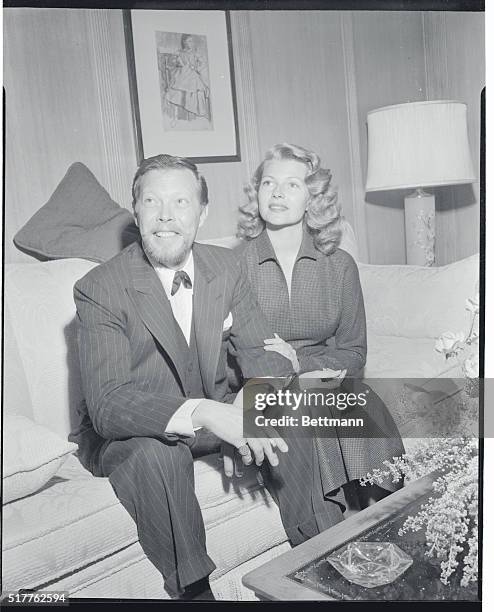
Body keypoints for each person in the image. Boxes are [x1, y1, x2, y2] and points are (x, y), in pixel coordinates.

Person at [70, 153, 339, 601]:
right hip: (137, 431)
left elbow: (266, 357)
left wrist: (248, 406)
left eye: (181, 202)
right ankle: (195, 593)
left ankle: (315, 565)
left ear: (202, 212)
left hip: (215, 411)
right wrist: (208, 414)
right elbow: (108, 404)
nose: (165, 217)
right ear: (135, 212)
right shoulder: (99, 287)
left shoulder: (227, 266)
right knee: (160, 458)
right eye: (151, 202)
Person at [236, 143, 405, 528]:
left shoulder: (340, 266)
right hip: (261, 385)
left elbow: (353, 352)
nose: (277, 192)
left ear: (314, 199)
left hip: (319, 378)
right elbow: (226, 358)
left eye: (292, 184)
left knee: (359, 399)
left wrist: (302, 363)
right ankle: (329, 536)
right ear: (257, 193)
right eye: (268, 183)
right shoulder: (233, 266)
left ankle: (386, 522)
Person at [164, 34, 210, 125]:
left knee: (195, 91)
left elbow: (202, 64)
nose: (190, 43)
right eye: (188, 41)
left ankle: (193, 117)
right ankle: (175, 117)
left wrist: (196, 67)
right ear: (184, 42)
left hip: (192, 75)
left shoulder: (195, 53)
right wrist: (177, 62)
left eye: (191, 41)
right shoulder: (179, 52)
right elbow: (171, 63)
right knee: (177, 92)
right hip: (182, 74)